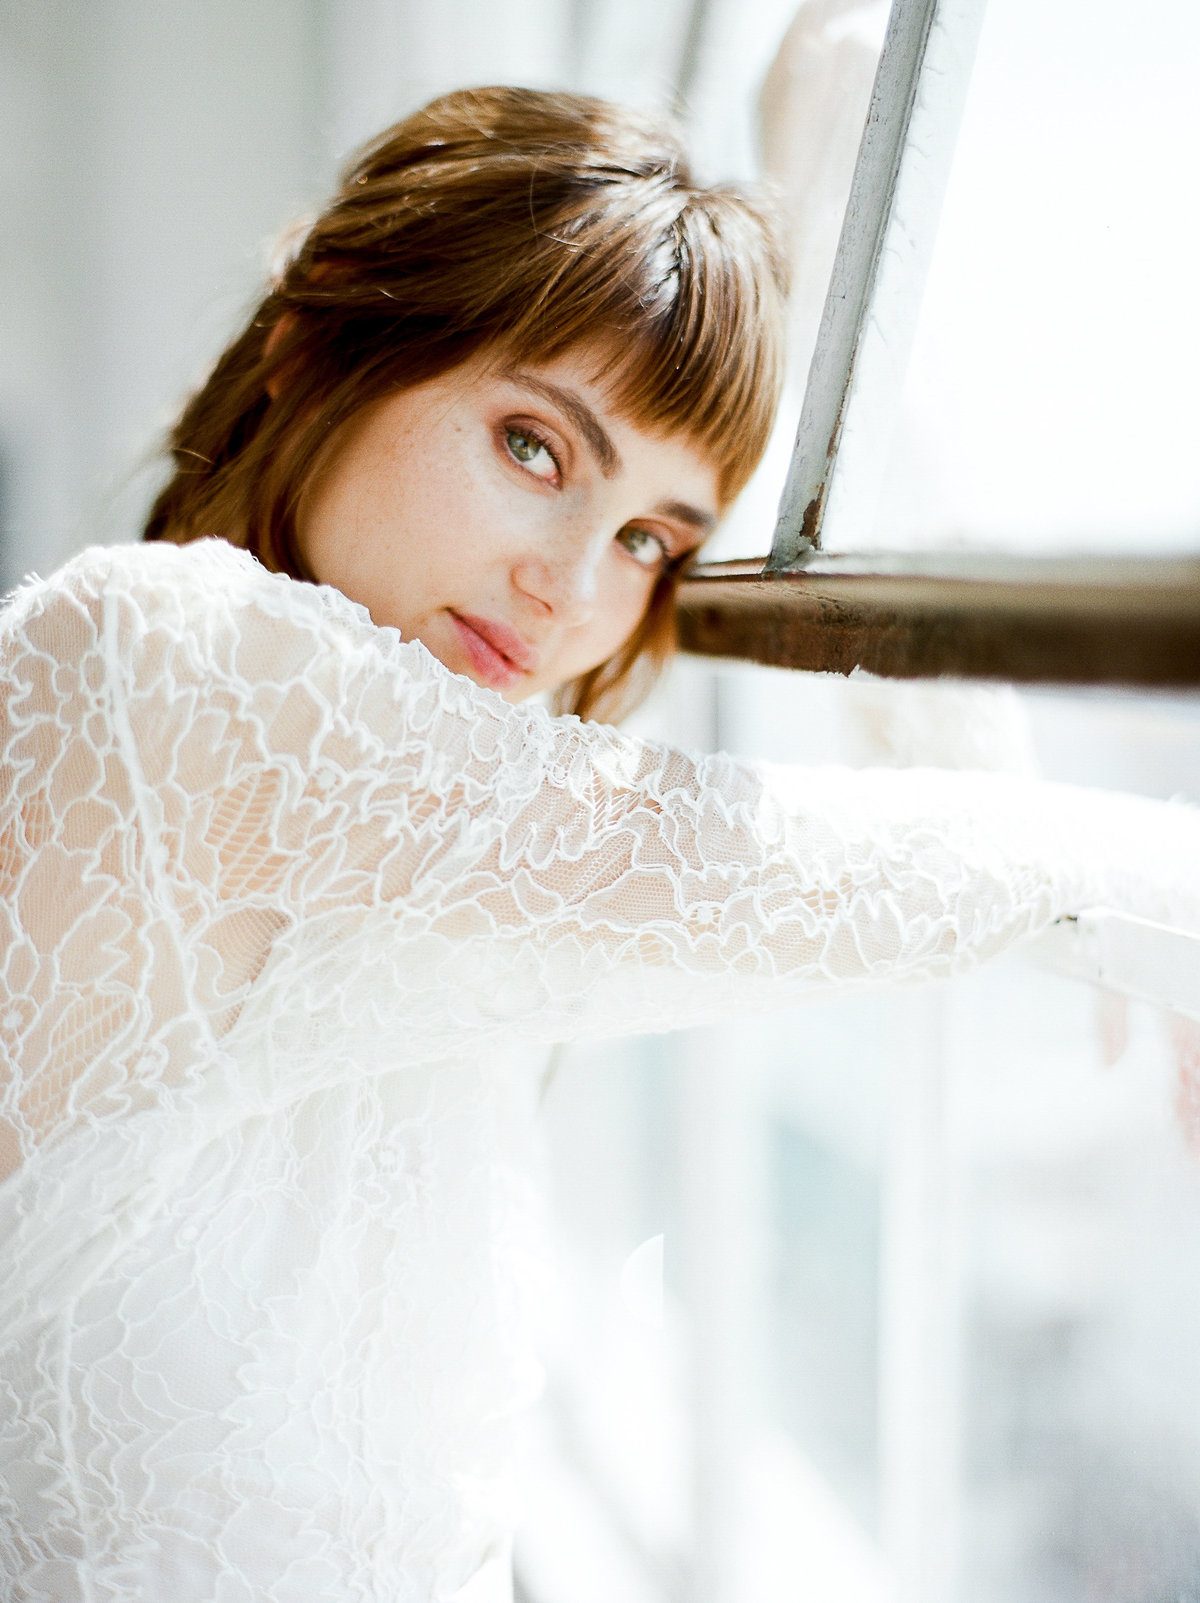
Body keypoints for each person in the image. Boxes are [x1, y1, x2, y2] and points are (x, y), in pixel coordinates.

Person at [0, 85, 1196, 1603]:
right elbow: (755, 874)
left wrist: (839, 195)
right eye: (533, 445)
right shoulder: (157, 655)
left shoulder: (416, 850)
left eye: (652, 539)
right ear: (326, 354)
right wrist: (1152, 868)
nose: (573, 587)